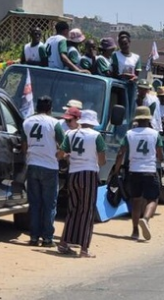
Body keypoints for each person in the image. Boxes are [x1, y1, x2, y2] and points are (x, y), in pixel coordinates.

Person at [56, 109, 106, 258]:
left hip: (73, 174)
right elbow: (102, 160)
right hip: (88, 174)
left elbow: (60, 154)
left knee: (73, 209)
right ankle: (84, 248)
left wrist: (70, 158)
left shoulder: (70, 134)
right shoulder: (96, 136)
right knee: (87, 211)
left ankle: (64, 242)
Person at [112, 106, 164, 241]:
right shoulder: (155, 134)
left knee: (136, 201)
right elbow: (160, 155)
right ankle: (145, 219)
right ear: (148, 120)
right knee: (153, 199)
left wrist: (116, 170)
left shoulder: (129, 134)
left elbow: (120, 153)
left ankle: (135, 231)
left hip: (134, 171)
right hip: (150, 171)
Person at [22, 96, 64, 247]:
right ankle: (47, 238)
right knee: (49, 204)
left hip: (32, 165)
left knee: (35, 203)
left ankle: (33, 237)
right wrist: (60, 156)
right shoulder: (54, 123)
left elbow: (24, 145)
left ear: (36, 107)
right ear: (50, 109)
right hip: (50, 167)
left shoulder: (27, 122)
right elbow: (64, 145)